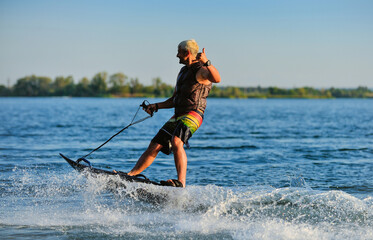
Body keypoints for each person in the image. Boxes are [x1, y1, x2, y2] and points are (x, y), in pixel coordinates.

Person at [127, 39, 221, 187]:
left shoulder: (202, 70)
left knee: (177, 141)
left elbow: (217, 79)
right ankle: (130, 175)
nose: (177, 55)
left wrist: (207, 62)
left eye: (179, 52)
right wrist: (155, 106)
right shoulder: (183, 72)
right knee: (155, 145)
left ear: (187, 53)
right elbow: (174, 100)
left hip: (194, 114)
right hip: (178, 115)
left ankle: (181, 182)